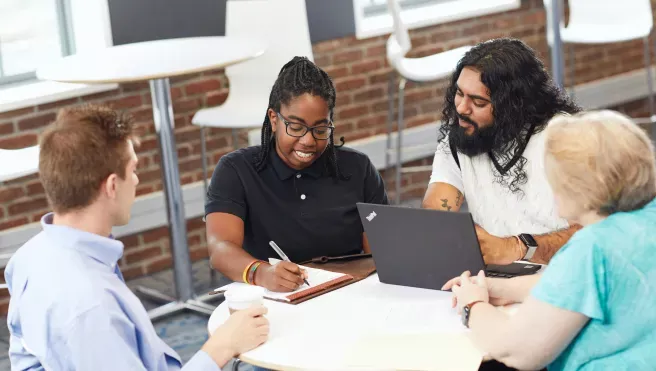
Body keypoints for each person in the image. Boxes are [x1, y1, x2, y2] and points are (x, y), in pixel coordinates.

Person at [5, 105, 269, 370]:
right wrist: (222, 346)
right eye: (132, 170)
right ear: (111, 186)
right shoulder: (91, 308)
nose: (136, 179)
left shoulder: (29, 256)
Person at [445, 110, 656, 370]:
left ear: (579, 188)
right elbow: (577, 285)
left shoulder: (592, 247)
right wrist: (500, 288)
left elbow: (516, 351)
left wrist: (472, 304)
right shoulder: (645, 220)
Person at [205, 56, 387, 292]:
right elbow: (220, 248)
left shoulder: (357, 168)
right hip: (273, 298)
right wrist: (261, 273)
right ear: (274, 119)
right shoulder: (236, 170)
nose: (308, 140)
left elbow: (381, 253)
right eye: (296, 127)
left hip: (347, 295)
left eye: (320, 129)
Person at [422, 38, 582, 265]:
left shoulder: (566, 138)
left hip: (565, 276)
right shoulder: (460, 137)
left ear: (513, 106)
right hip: (498, 279)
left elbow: (597, 233)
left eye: (478, 101)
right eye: (459, 93)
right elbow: (435, 214)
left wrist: (518, 248)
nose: (461, 108)